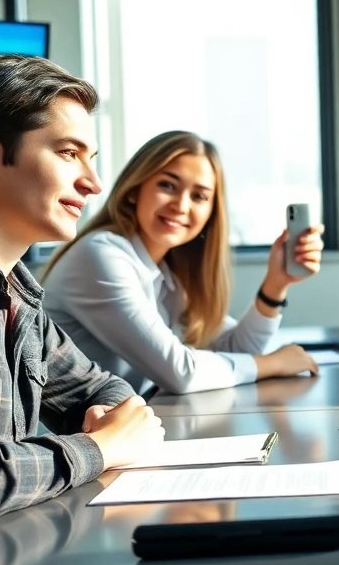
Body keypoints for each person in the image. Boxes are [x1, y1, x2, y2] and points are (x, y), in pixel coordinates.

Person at [0, 55, 163, 565]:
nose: (94, 183)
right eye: (69, 153)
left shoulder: (12, 290)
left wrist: (113, 420)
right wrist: (100, 446)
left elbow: (105, 390)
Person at [42, 130, 324, 395]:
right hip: (70, 442)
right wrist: (273, 364)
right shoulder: (100, 255)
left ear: (211, 212)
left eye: (199, 196)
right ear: (134, 190)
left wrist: (276, 284)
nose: (181, 205)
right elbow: (180, 372)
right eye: (167, 185)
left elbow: (237, 349)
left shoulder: (163, 272)